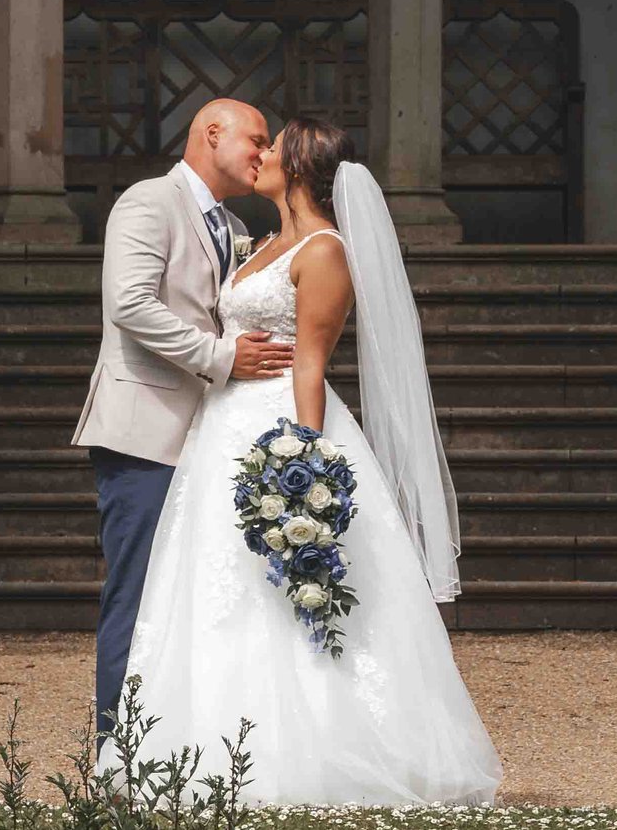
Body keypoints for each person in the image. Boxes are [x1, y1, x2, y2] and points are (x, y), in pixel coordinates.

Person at [108, 116, 503, 805]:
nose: (261, 154)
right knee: (213, 589)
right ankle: (202, 746)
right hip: (218, 430)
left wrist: (305, 459)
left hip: (277, 428)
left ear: (297, 166)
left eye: (274, 145)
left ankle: (315, 750)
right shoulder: (257, 241)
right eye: (257, 141)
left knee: (285, 591)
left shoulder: (325, 250)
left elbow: (310, 365)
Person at [70, 97, 295, 742]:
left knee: (194, 600)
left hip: (210, 436)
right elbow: (130, 304)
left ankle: (177, 745)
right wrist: (222, 358)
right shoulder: (148, 202)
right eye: (256, 139)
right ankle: (116, 750)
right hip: (144, 430)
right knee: (137, 591)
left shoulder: (233, 224)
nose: (263, 152)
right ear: (212, 132)